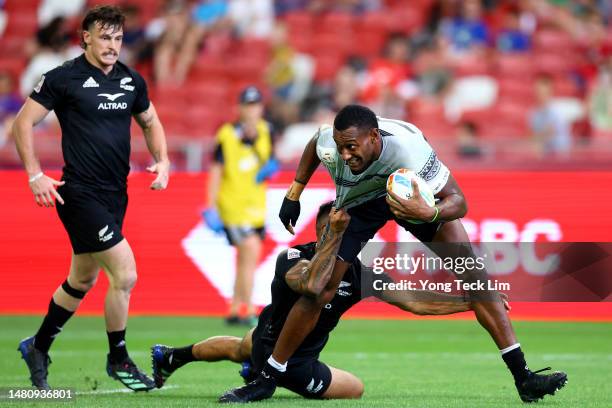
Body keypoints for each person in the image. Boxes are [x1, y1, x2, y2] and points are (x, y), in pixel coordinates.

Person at [228, 104, 568, 403]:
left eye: (352, 147)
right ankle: (268, 379)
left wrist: (428, 213)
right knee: (320, 289)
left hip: (412, 201)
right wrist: (295, 191)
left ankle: (524, 377)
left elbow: (459, 201)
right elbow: (314, 146)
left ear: (374, 137)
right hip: (359, 206)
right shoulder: (330, 141)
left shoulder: (409, 149)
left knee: (476, 279)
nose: (345, 155)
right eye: (341, 147)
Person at [154, 201, 487, 400]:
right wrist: (334, 242)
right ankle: (260, 372)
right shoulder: (293, 257)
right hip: (292, 363)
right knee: (356, 389)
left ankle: (172, 357)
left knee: (242, 346)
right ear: (317, 231)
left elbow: (415, 300)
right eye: (329, 230)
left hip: (261, 339)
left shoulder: (359, 272)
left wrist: (471, 300)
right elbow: (312, 285)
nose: (336, 235)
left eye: (342, 230)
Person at [12, 6, 170, 391]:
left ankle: (38, 345)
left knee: (81, 279)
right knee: (126, 274)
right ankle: (118, 358)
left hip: (116, 194)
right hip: (79, 193)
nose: (112, 45)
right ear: (85, 37)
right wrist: (35, 175)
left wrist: (162, 161)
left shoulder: (131, 81)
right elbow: (22, 124)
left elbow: (150, 121)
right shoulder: (63, 78)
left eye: (117, 38)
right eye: (104, 37)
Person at [203, 86, 278, 325]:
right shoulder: (227, 135)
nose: (252, 110)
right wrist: (211, 206)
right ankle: (250, 309)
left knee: (246, 259)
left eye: (255, 105)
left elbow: (271, 160)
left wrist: (270, 167)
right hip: (233, 205)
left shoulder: (267, 131)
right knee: (251, 250)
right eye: (247, 105)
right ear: (239, 108)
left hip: (256, 205)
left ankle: (235, 309)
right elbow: (216, 172)